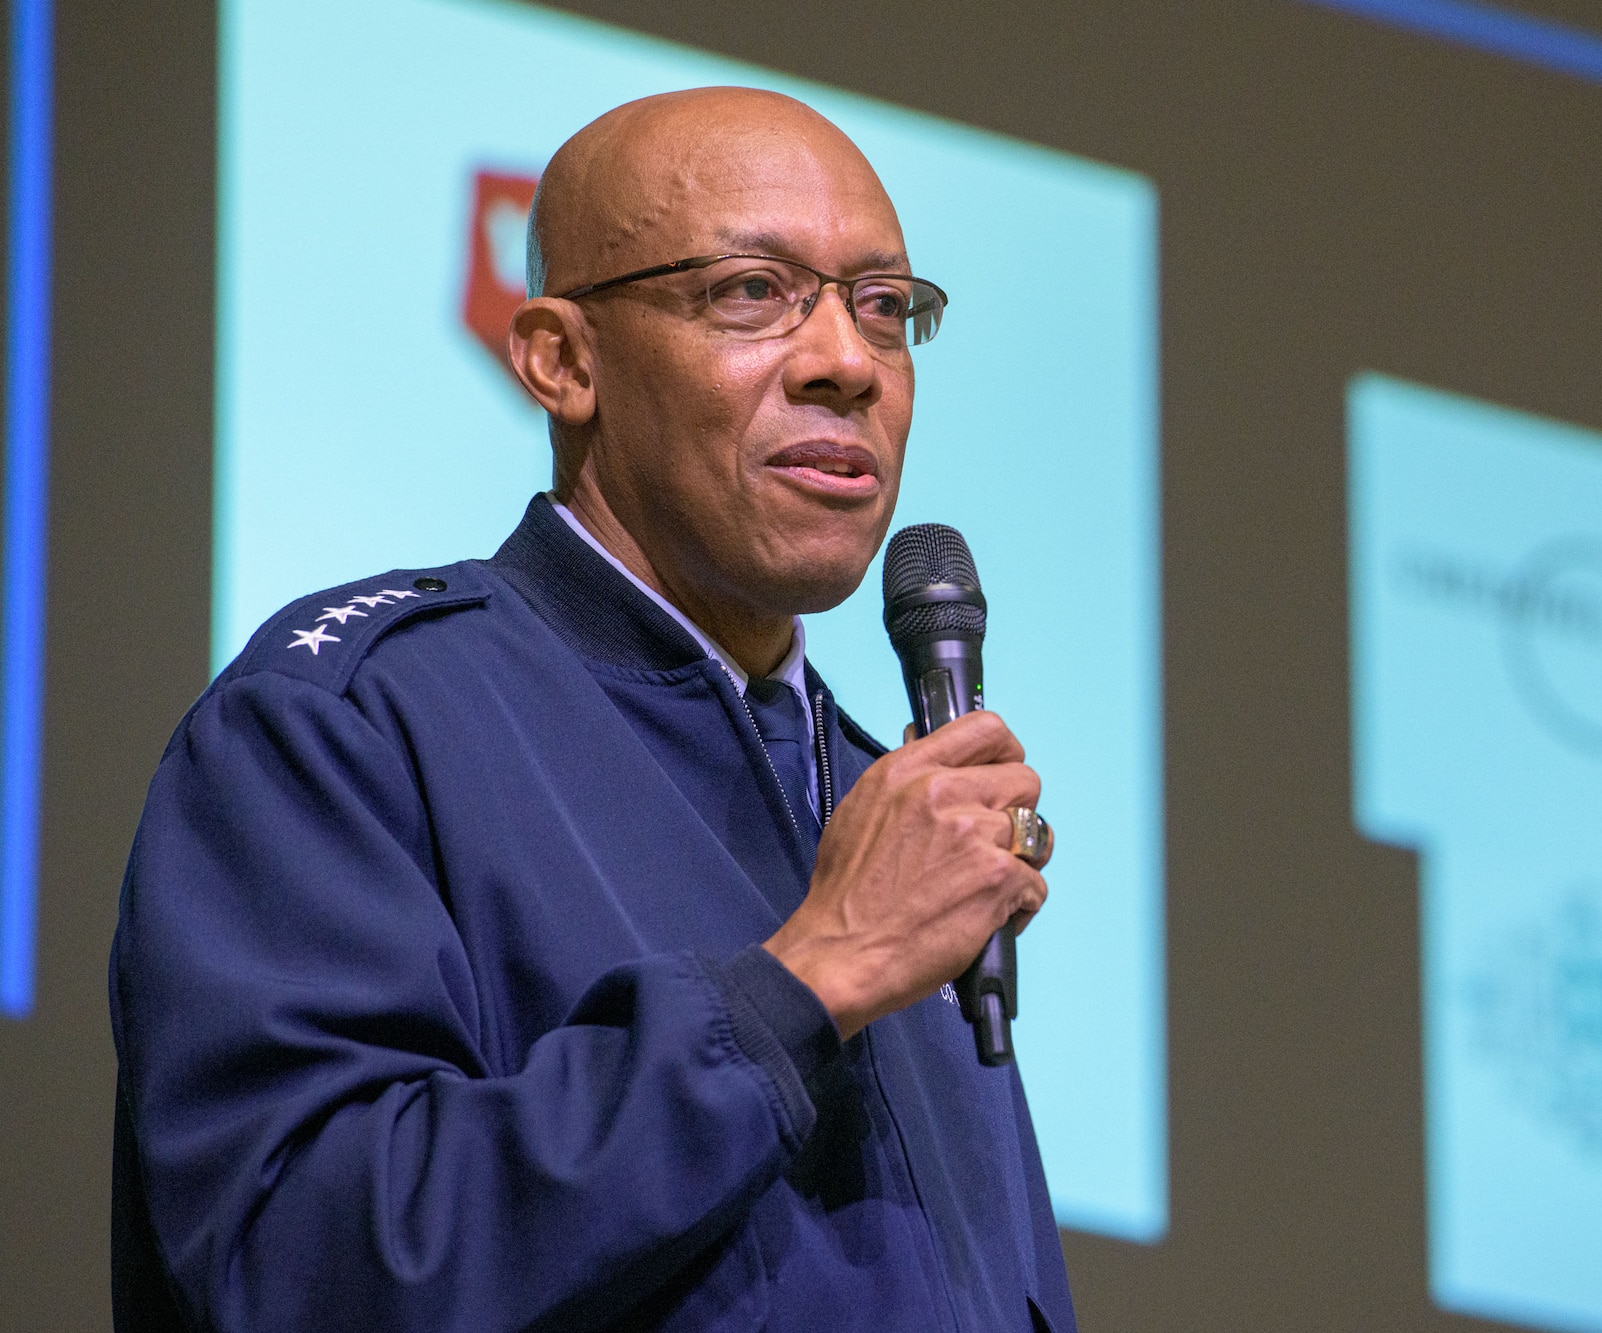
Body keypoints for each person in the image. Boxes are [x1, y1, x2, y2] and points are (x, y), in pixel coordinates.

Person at [109, 88, 1076, 1333]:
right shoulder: (346, 722)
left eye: (883, 308)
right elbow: (304, 1264)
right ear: (563, 361)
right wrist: (809, 979)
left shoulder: (882, 802)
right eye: (749, 290)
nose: (847, 363)